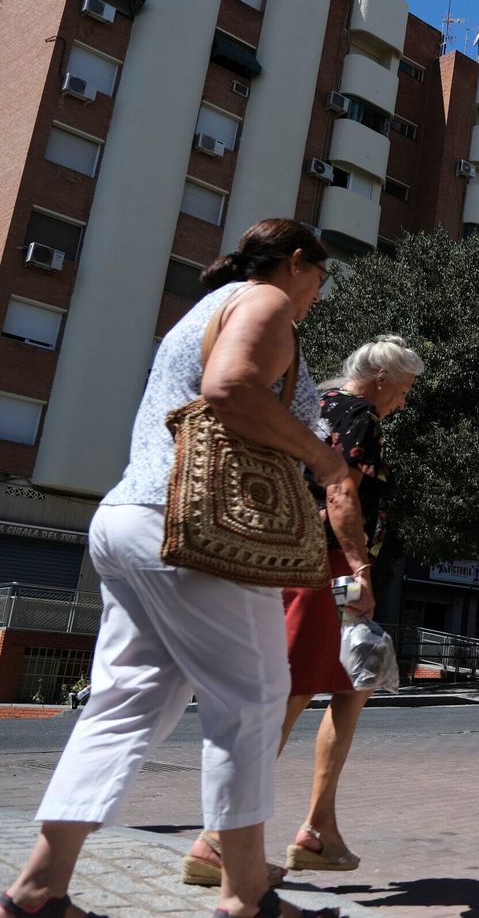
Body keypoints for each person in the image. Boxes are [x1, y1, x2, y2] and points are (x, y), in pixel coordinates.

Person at [5, 220, 344, 918]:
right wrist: (322, 457)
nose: (316, 295)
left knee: (125, 706)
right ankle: (246, 893)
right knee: (252, 697)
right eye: (320, 278)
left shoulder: (202, 310)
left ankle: (39, 886)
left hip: (132, 518)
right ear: (299, 262)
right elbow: (233, 389)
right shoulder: (266, 301)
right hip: (196, 534)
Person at [282, 337, 421, 873]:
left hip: (297, 556)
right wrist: (360, 568)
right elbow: (341, 493)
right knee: (295, 686)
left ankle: (319, 830)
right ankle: (221, 836)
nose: (403, 403)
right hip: (329, 564)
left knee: (350, 684)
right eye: (404, 390)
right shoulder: (360, 414)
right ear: (383, 377)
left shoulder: (314, 402)